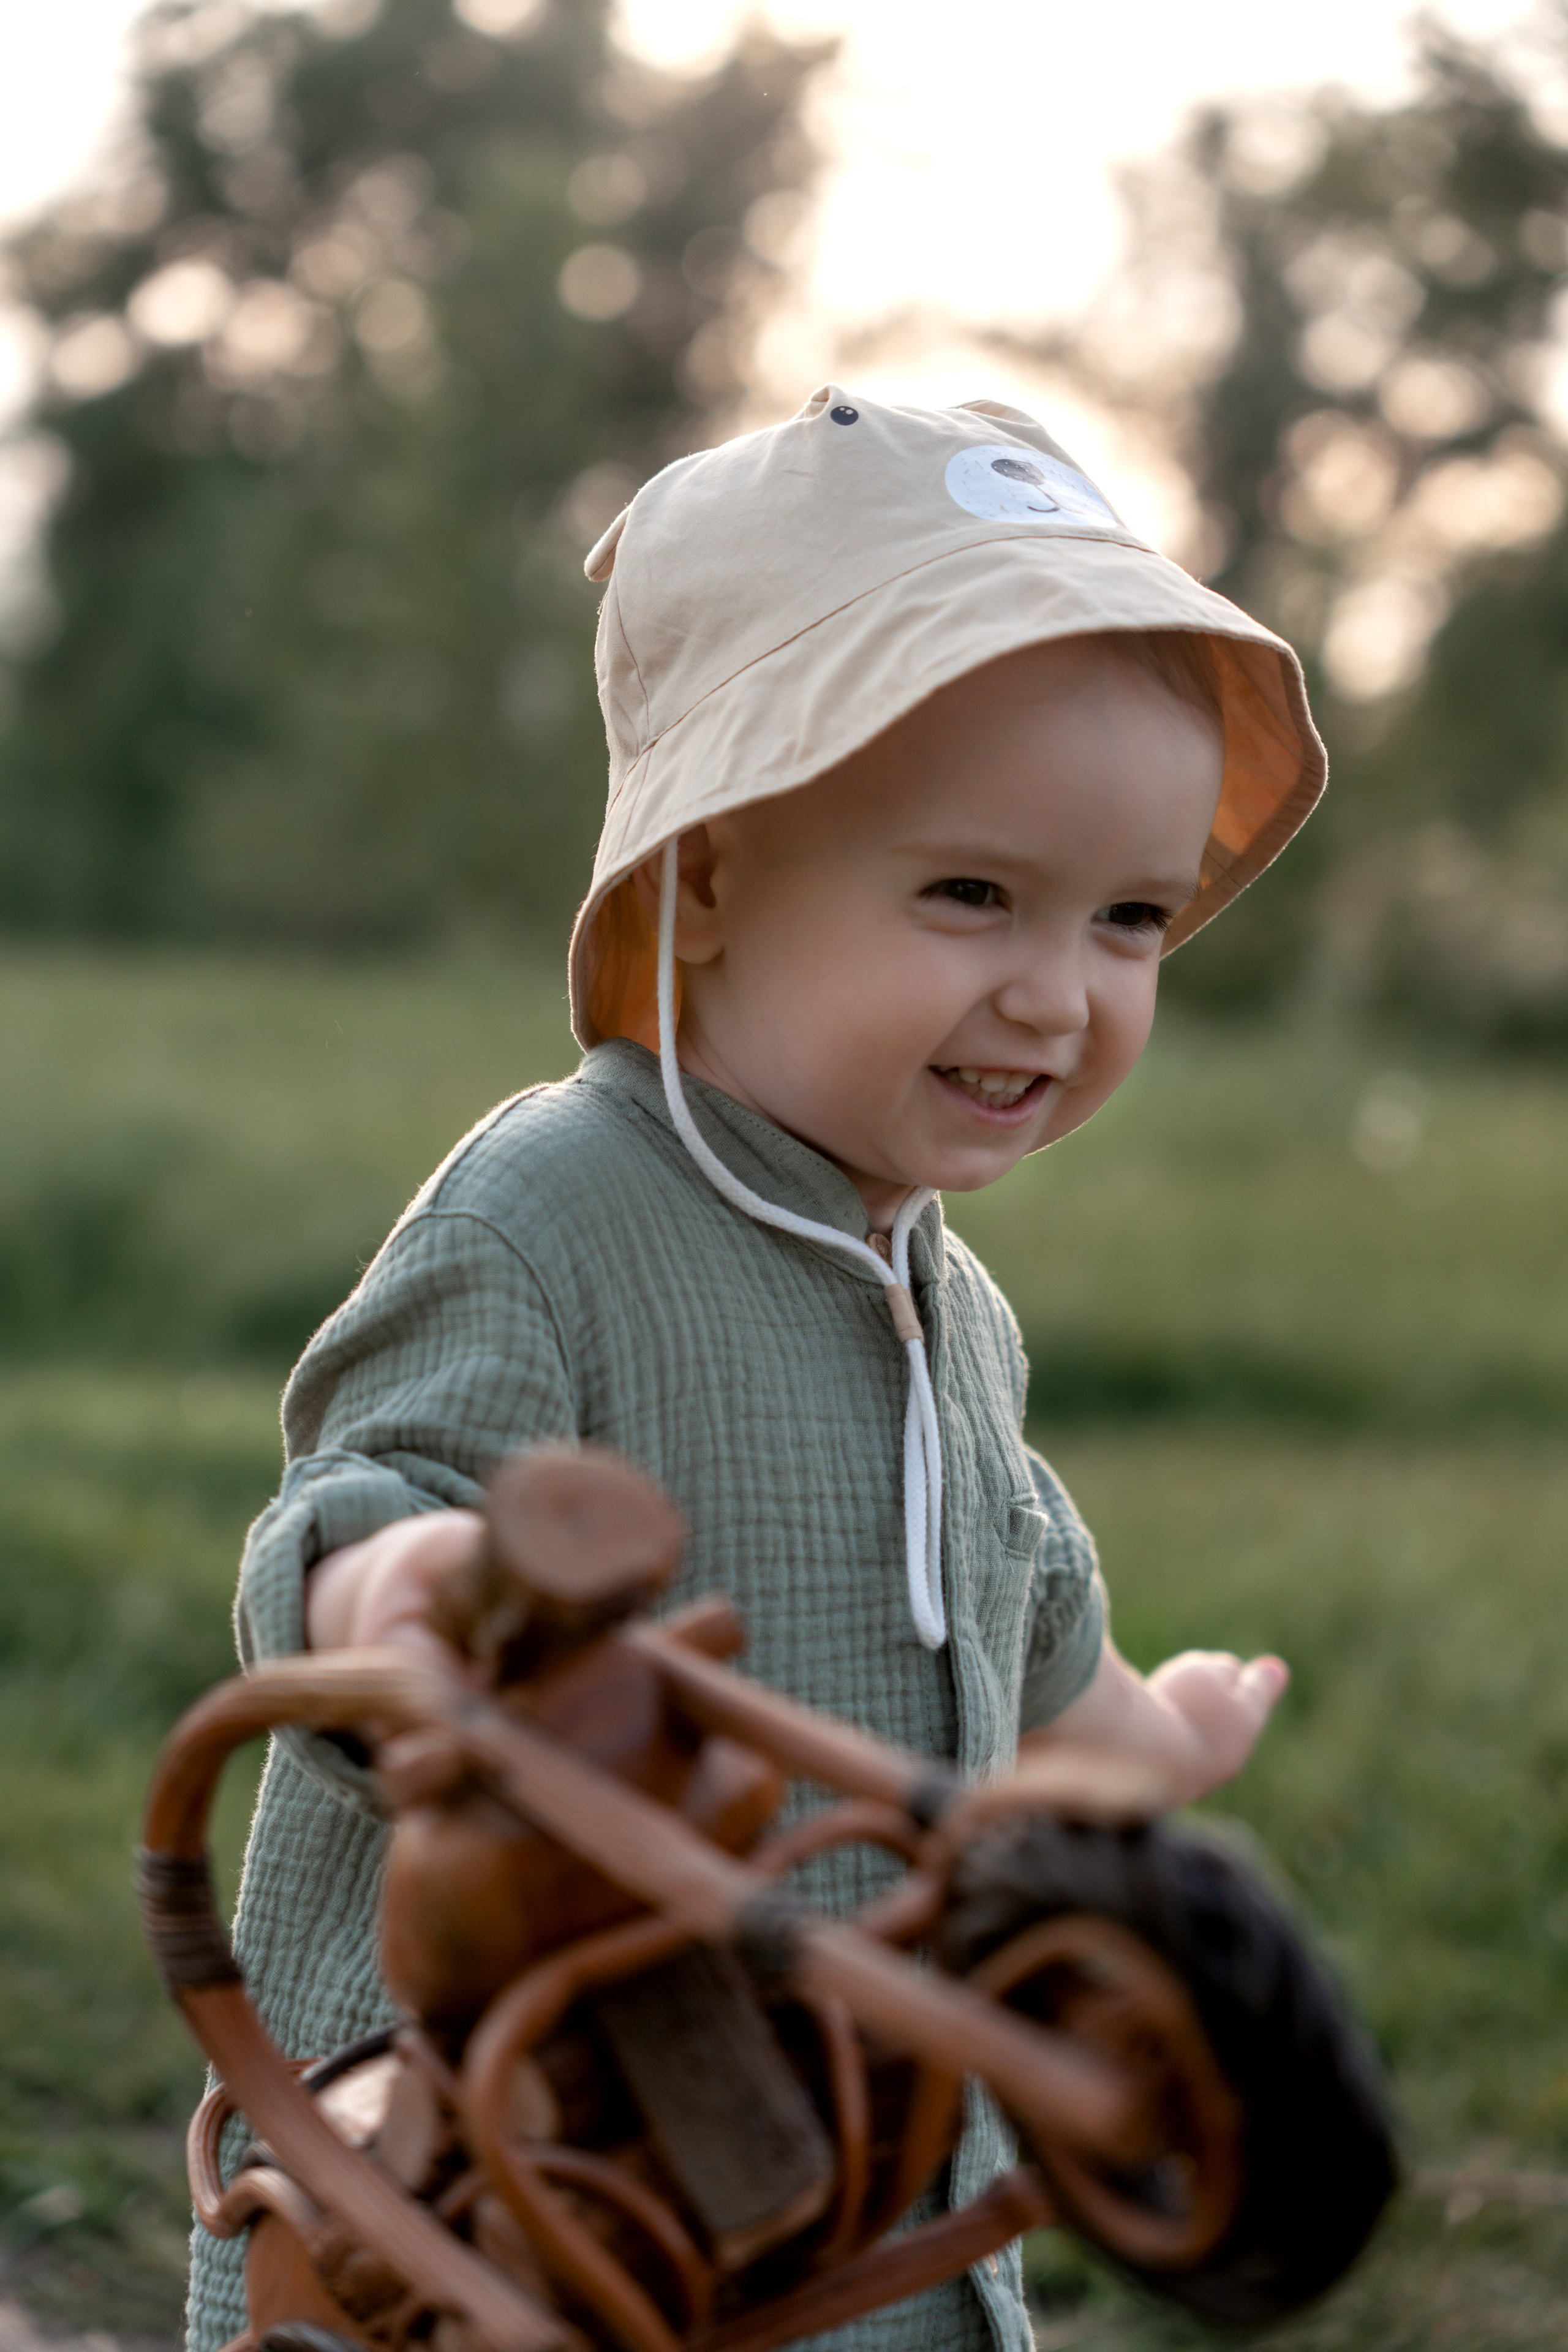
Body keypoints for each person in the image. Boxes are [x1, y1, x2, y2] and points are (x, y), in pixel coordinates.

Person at [188, 388, 1325, 2352]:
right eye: (973, 892)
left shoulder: (949, 1307)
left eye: (1129, 919)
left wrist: (1151, 1742)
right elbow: (344, 1527)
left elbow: (1011, 1630)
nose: (1059, 992)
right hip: (519, 2194)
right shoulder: (554, 1209)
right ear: (705, 881)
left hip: (857, 2219)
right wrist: (422, 1593)